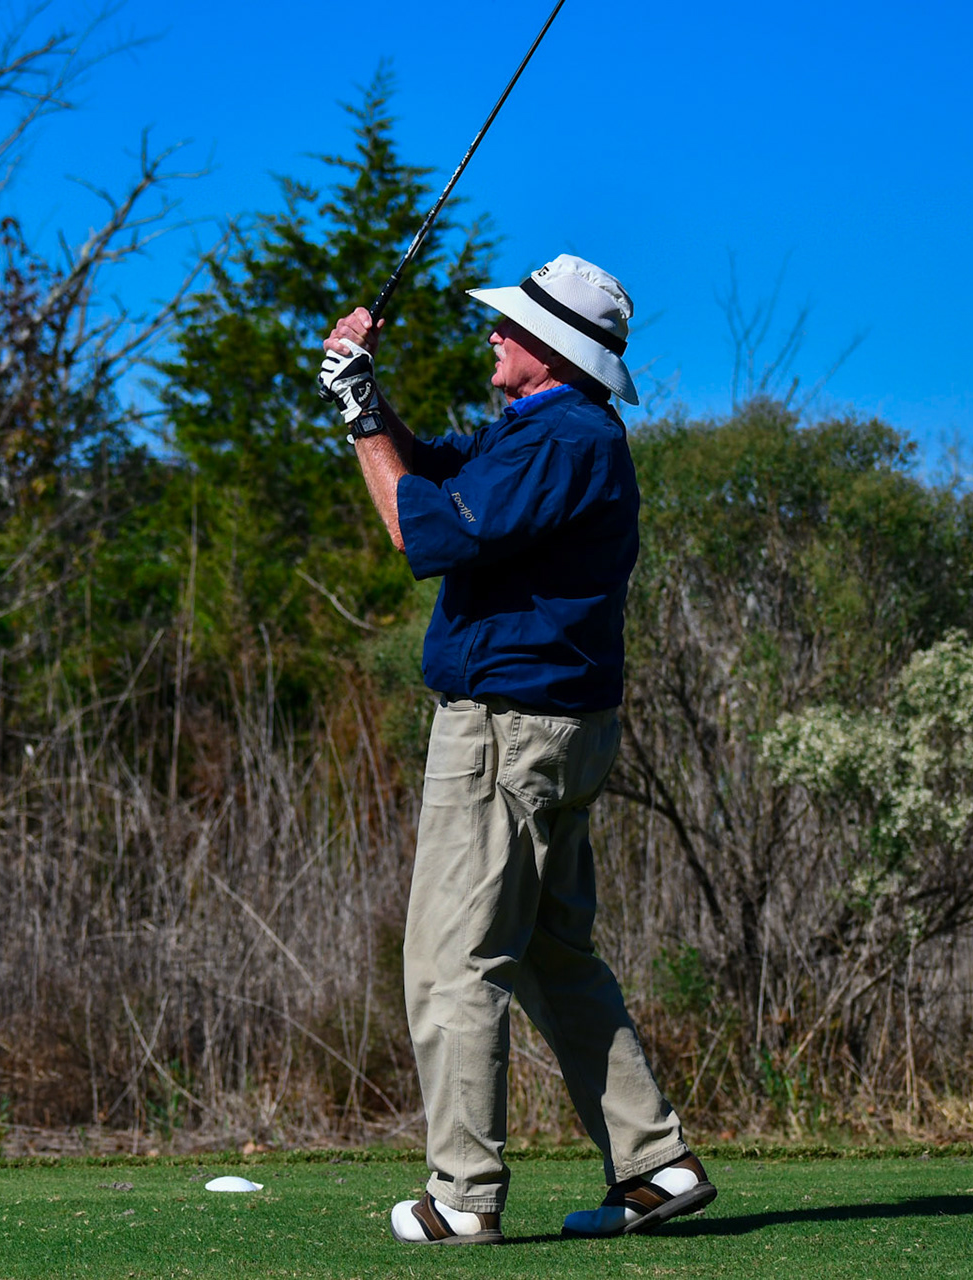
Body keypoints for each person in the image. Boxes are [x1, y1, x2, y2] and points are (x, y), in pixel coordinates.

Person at [318, 255, 716, 1245]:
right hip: (554, 730)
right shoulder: (549, 431)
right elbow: (434, 468)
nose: (494, 335)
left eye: (513, 327)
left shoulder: (563, 436)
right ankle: (655, 1163)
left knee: (451, 962)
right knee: (549, 954)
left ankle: (463, 1195)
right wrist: (369, 396)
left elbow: (423, 534)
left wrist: (361, 416)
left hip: (508, 730)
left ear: (557, 350)